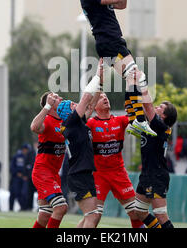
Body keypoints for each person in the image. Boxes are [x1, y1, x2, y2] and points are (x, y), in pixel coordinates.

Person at [80, 0, 156, 138]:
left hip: (114, 41)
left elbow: (121, 3)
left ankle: (137, 121)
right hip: (108, 41)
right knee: (134, 75)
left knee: (137, 76)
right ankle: (136, 120)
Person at [56, 59, 104, 228]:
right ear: (69, 112)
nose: (77, 105)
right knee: (92, 216)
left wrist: (101, 80)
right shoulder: (70, 122)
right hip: (78, 175)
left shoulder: (77, 123)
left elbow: (91, 102)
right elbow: (86, 98)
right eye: (73, 105)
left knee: (94, 216)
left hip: (84, 173)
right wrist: (97, 72)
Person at [86, 93, 143, 228]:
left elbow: (138, 116)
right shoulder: (90, 123)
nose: (105, 98)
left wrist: (133, 90)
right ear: (94, 106)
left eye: (106, 96)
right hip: (98, 175)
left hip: (119, 173)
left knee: (136, 212)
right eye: (100, 98)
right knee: (94, 216)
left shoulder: (120, 120)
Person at [128, 77, 177, 228]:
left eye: (160, 107)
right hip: (147, 174)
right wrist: (131, 84)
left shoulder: (160, 126)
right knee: (139, 212)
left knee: (161, 215)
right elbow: (138, 107)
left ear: (164, 116)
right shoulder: (150, 125)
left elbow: (147, 106)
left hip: (157, 176)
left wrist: (141, 83)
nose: (156, 107)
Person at [30, 91, 67, 228]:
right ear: (50, 104)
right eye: (56, 98)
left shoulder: (64, 121)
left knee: (45, 215)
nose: (61, 98)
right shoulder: (46, 120)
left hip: (53, 174)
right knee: (61, 207)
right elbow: (34, 127)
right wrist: (46, 107)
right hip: (42, 172)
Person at [9, 145, 29, 211]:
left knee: (23, 194)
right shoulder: (16, 156)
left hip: (24, 179)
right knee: (15, 193)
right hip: (15, 178)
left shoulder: (28, 157)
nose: (26, 151)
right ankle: (12, 208)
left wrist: (25, 175)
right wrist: (17, 173)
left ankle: (24, 207)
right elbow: (12, 167)